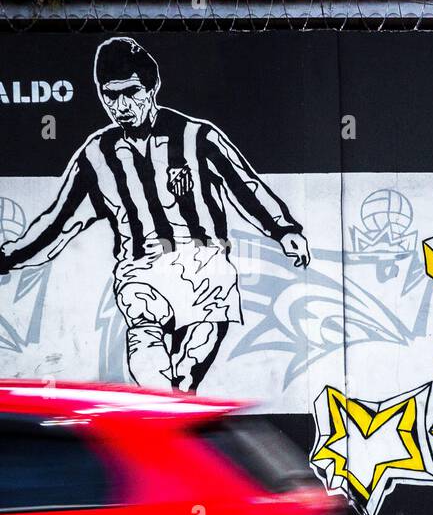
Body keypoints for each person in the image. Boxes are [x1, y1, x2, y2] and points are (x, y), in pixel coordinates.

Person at [0, 37, 310, 392]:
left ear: (151, 87)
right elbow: (58, 223)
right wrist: (9, 257)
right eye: (110, 95)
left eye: (130, 91)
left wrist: (283, 229)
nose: (120, 105)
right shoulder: (97, 156)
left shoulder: (196, 137)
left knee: (199, 342)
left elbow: (245, 185)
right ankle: (165, 403)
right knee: (144, 339)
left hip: (202, 262)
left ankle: (180, 393)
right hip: (141, 266)